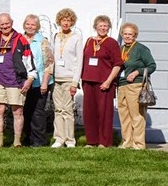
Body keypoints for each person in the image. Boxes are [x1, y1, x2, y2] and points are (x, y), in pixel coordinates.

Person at [0, 12, 37, 148]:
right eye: (2, 24)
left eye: (7, 23)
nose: (5, 26)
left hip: (16, 80)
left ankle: (17, 141)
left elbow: (29, 61)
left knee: (17, 111)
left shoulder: (21, 39)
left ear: (12, 23)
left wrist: (30, 78)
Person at [81, 15, 123, 148]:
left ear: (109, 28)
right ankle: (91, 141)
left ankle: (104, 142)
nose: (103, 28)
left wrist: (109, 81)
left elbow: (117, 64)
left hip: (104, 83)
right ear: (95, 27)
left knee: (104, 113)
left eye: (105, 26)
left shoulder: (111, 42)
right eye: (100, 26)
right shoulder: (89, 41)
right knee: (89, 112)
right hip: (88, 81)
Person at [116, 22, 156, 150]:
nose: (127, 36)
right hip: (121, 86)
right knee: (124, 115)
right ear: (122, 34)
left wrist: (137, 72)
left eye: (130, 34)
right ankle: (127, 142)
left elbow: (152, 66)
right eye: (125, 34)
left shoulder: (141, 49)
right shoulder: (120, 49)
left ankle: (138, 144)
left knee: (137, 115)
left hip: (135, 85)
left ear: (135, 36)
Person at [50, 8, 83, 148]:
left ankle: (70, 140)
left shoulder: (76, 37)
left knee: (68, 110)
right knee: (58, 109)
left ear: (72, 22)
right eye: (63, 20)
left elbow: (79, 61)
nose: (66, 23)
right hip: (56, 78)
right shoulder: (55, 37)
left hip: (69, 78)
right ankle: (59, 138)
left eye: (68, 20)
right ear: (59, 21)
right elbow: (51, 57)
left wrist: (75, 82)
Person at [21, 14, 55, 147]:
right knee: (25, 111)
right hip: (23, 82)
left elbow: (49, 64)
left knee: (37, 112)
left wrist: (45, 83)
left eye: (33, 25)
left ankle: (39, 140)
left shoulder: (43, 41)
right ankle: (27, 137)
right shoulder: (19, 39)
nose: (30, 27)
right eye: (28, 24)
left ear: (37, 27)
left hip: (39, 82)